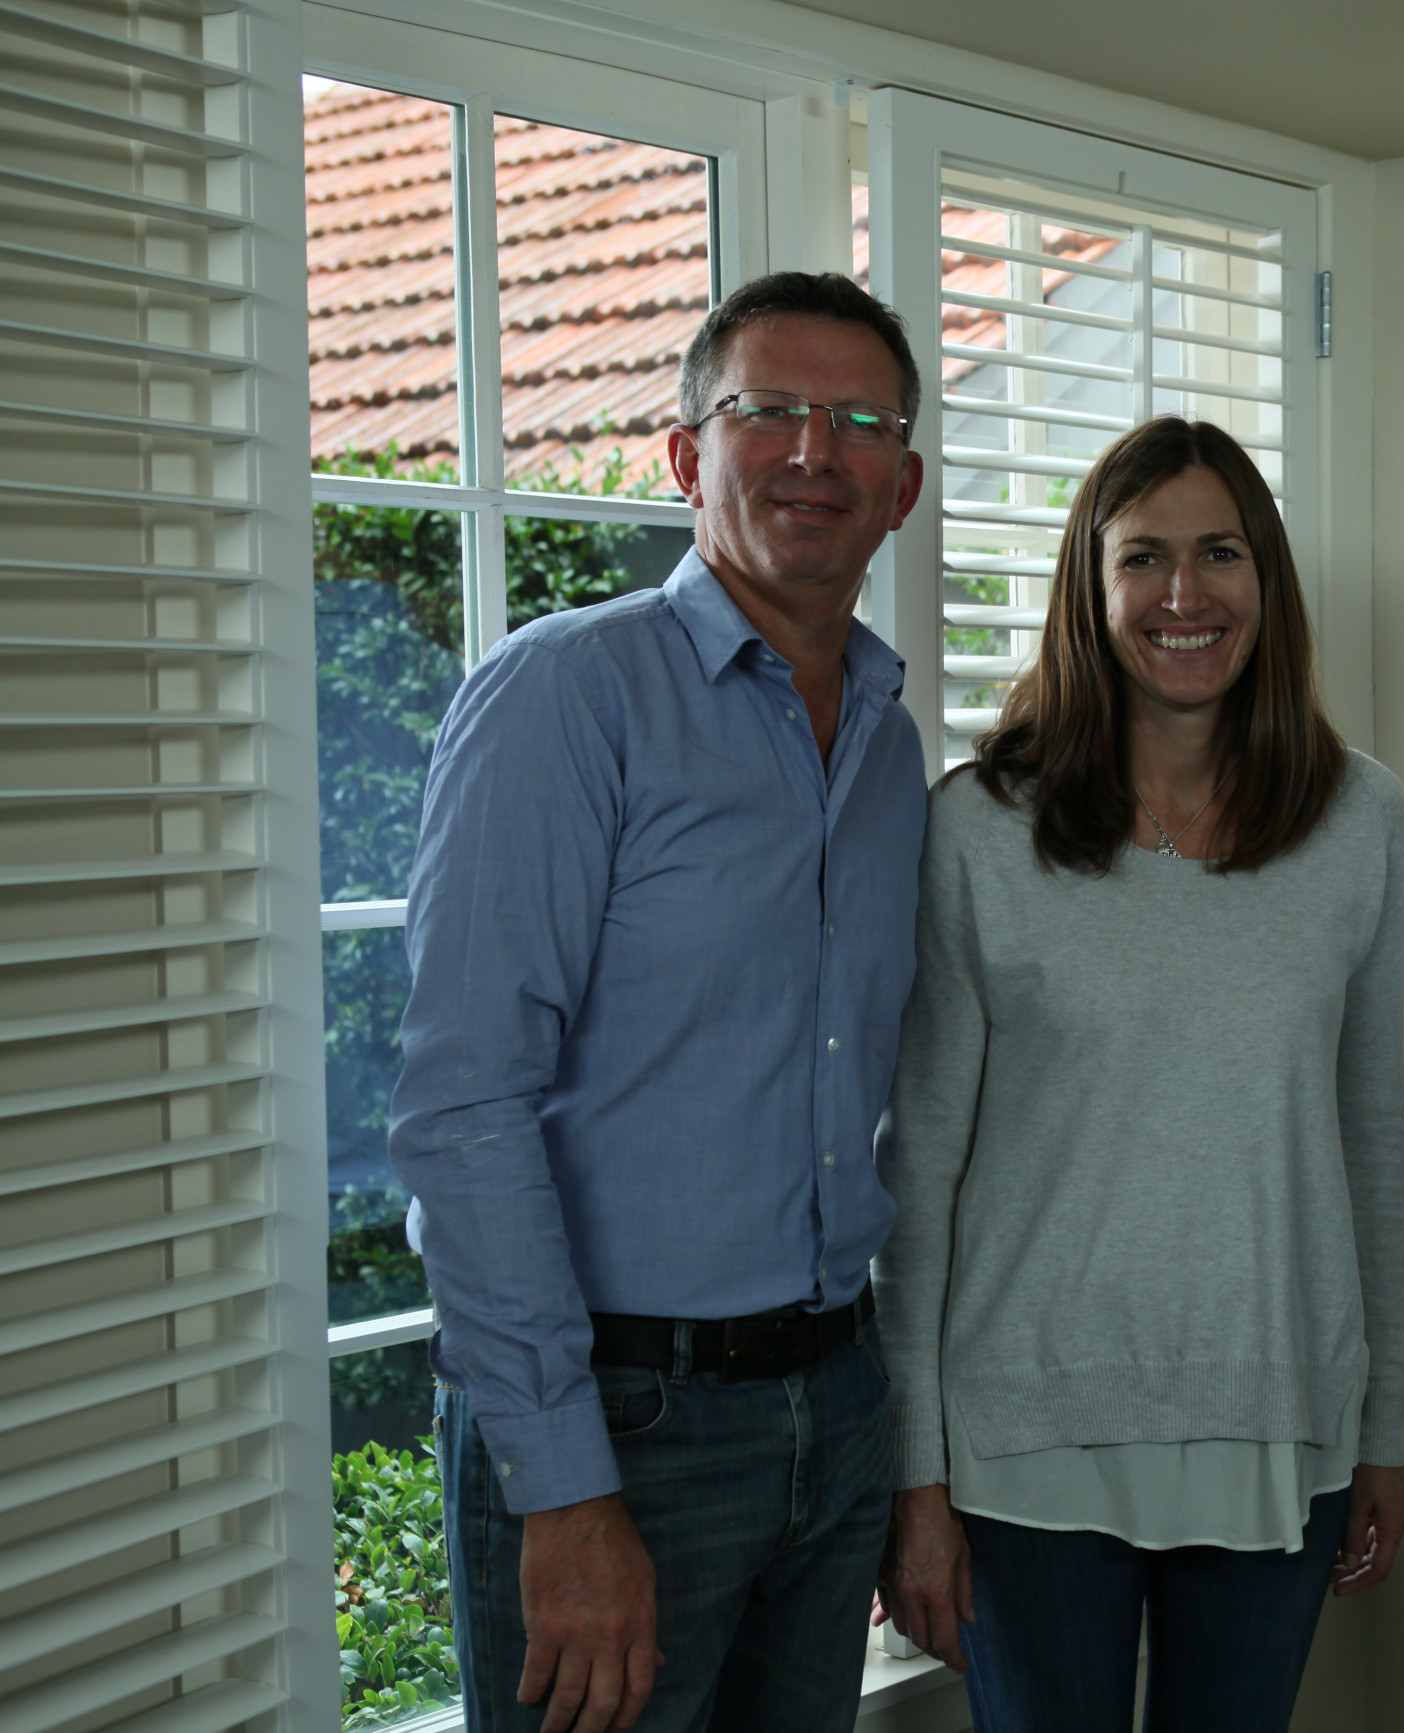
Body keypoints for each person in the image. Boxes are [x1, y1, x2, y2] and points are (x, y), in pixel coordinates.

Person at [390, 272, 928, 1733]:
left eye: (859, 422)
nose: (815, 452)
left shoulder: (891, 752)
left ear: (907, 486)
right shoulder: (565, 697)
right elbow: (460, 1108)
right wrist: (563, 1490)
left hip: (833, 1401)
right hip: (620, 1423)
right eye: (769, 411)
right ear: (691, 454)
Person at [875, 416, 1404, 1732]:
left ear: (1267, 582)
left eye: (1220, 553)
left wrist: (1383, 1425)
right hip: (1022, 1442)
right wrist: (917, 1473)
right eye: (1145, 559)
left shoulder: (1359, 817)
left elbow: (1372, 1136)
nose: (1185, 595)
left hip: (1276, 1416)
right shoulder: (978, 826)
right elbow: (923, 1165)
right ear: (1089, 586)